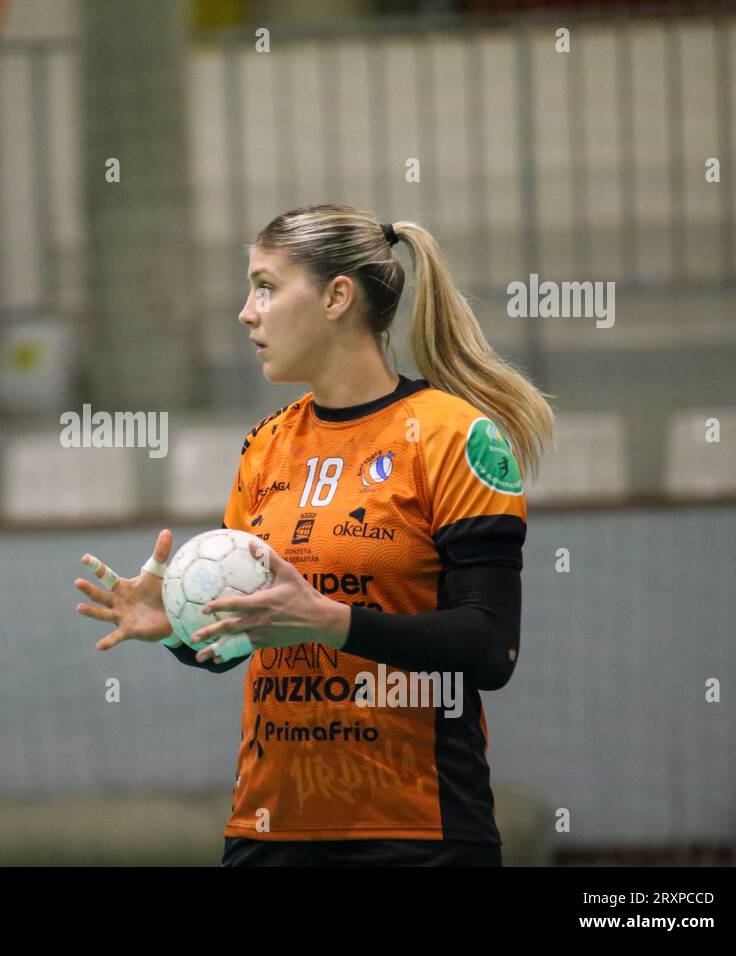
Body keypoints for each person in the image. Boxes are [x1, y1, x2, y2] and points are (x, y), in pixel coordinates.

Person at [74, 203, 553, 866]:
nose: (247, 311)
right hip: (269, 831)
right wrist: (182, 625)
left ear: (336, 297)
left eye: (265, 286)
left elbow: (490, 649)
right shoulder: (266, 446)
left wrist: (331, 622)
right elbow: (241, 640)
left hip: (417, 834)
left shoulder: (454, 437)